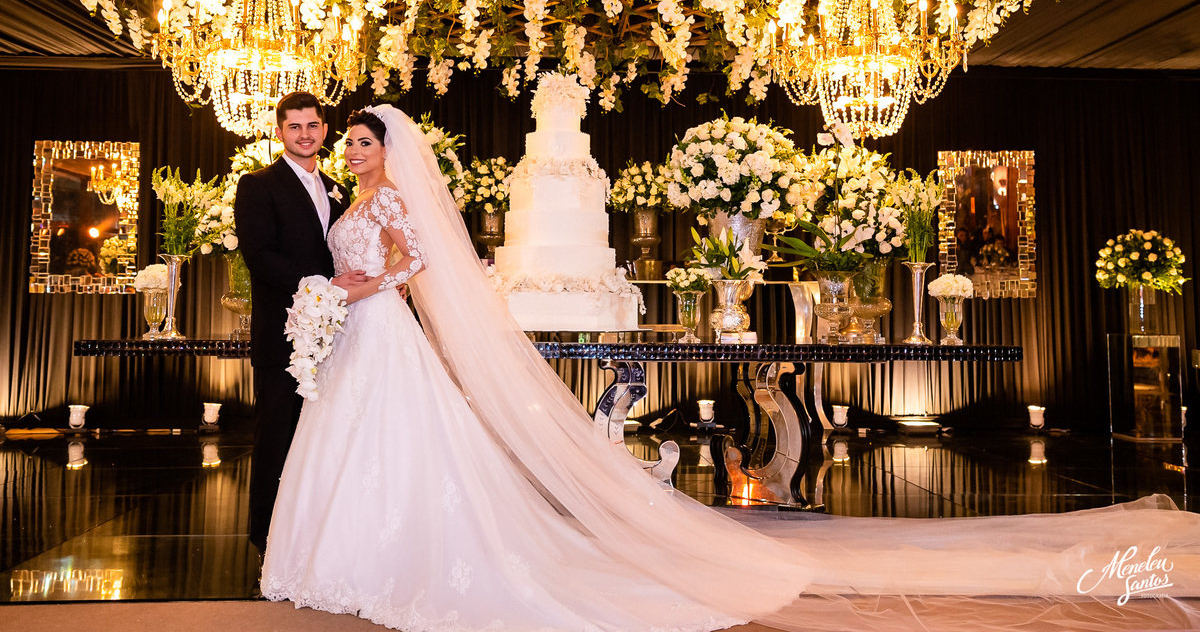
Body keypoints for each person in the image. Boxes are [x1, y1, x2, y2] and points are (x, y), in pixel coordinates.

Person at [263, 105, 1200, 632]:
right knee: (356, 449)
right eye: (346, 141)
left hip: (379, 325)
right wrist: (339, 296)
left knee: (400, 451)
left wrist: (359, 284)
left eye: (362, 141)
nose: (352, 151)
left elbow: (422, 266)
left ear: (391, 149)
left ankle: (386, 557)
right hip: (359, 335)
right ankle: (338, 556)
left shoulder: (391, 204)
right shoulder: (353, 196)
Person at [234, 92, 366, 551]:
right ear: (279, 132)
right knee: (277, 434)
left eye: (312, 126)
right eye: (295, 127)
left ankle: (316, 533)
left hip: (338, 333)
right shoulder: (258, 185)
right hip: (283, 334)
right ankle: (266, 537)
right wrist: (328, 283)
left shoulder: (340, 188)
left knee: (324, 435)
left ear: (325, 132)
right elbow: (260, 256)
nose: (305, 135)